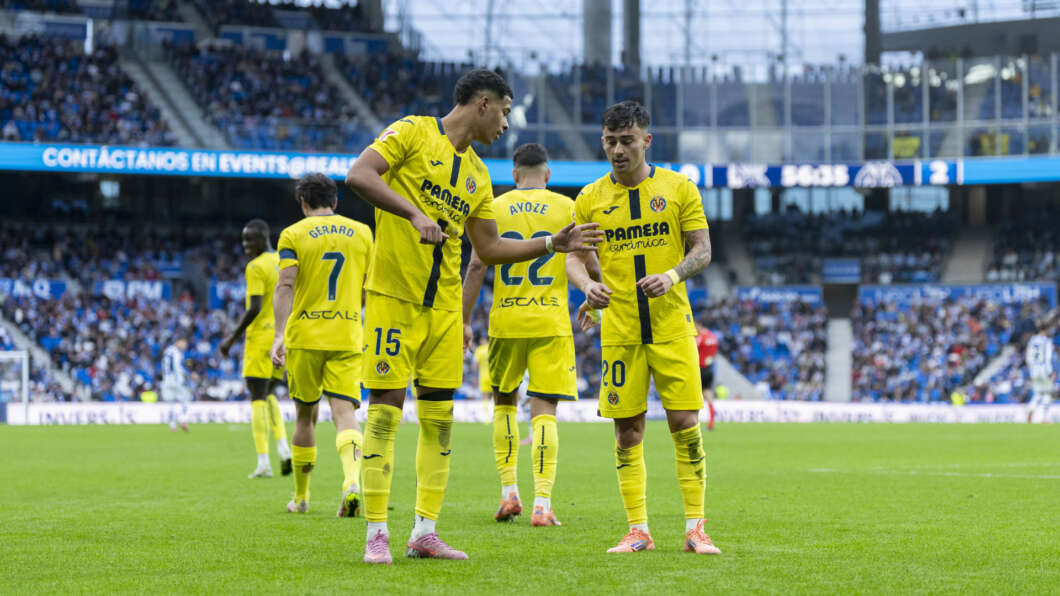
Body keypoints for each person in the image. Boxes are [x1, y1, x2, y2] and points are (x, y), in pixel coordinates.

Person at [346, 68, 601, 564]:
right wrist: (413, 214)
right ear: (483, 104)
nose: (507, 124)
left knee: (440, 418)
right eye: (506, 111)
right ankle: (376, 531)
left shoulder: (479, 176)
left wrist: (553, 242)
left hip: (443, 307)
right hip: (393, 296)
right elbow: (359, 175)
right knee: (383, 412)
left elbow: (488, 247)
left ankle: (425, 530)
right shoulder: (413, 131)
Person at [567, 100, 721, 555]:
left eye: (627, 141)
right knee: (627, 430)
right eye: (610, 141)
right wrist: (586, 287)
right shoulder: (590, 198)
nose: (618, 150)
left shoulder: (678, 189)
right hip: (621, 330)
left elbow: (702, 249)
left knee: (684, 424)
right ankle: (638, 530)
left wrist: (671, 276)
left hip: (672, 326)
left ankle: (696, 528)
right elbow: (574, 257)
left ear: (646, 141)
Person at [462, 142, 576, 527]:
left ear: (513, 175)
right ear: (548, 175)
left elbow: (477, 265)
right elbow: (586, 258)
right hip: (551, 322)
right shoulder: (567, 207)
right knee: (544, 412)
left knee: (505, 405)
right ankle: (542, 504)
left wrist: (464, 319)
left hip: (506, 321)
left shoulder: (493, 207)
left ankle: (509, 493)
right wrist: (594, 297)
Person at [269, 173, 372, 517]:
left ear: (302, 202)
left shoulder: (293, 234)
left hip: (305, 335)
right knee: (345, 414)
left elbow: (285, 284)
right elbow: (365, 288)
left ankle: (301, 498)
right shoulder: (362, 232)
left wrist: (279, 335)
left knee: (305, 416)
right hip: (346, 333)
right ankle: (352, 482)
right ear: (336, 201)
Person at [219, 219, 293, 479]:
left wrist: (231, 338)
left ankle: (263, 462)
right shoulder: (282, 262)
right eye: (243, 240)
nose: (245, 245)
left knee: (257, 398)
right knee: (270, 394)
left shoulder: (256, 266)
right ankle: (284, 449)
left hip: (260, 339)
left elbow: (253, 308)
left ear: (263, 238)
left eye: (250, 240)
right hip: (281, 337)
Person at [1025, 322, 1055, 424]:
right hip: (1044, 369)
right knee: (1047, 393)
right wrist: (1050, 371)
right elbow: (1048, 357)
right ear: (1045, 330)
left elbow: (1028, 357)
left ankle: (1030, 409)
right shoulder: (1047, 341)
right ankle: (1045, 418)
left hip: (1034, 370)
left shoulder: (1032, 341)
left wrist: (1030, 371)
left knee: (1037, 393)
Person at [161, 338, 191, 432]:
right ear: (178, 342)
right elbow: (177, 367)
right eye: (184, 344)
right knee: (186, 399)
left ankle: (172, 426)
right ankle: (183, 420)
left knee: (171, 403)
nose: (185, 346)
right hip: (176, 380)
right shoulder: (177, 352)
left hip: (166, 380)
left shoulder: (167, 351)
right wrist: (185, 376)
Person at [695, 323, 718, 431]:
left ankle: (693, 422)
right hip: (709, 368)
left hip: (700, 368)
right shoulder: (713, 337)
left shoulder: (701, 337)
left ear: (700, 326)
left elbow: (694, 348)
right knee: (708, 392)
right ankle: (711, 420)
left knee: (694, 394)